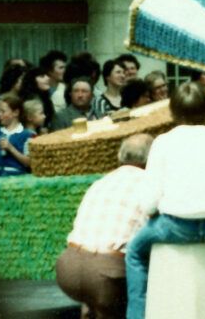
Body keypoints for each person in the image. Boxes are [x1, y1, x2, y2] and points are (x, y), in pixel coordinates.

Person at [124, 82, 205, 319]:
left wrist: (153, 213)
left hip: (176, 227)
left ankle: (136, 315)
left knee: (134, 252)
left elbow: (150, 200)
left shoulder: (163, 142)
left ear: (173, 111)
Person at [56, 134, 154, 319]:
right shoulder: (150, 184)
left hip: (67, 268)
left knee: (97, 300)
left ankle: (91, 309)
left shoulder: (101, 182)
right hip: (107, 274)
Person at [18, 63, 56, 130]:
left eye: (47, 75)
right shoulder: (28, 101)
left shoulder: (45, 98)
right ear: (32, 80)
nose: (47, 78)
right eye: (42, 76)